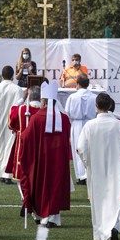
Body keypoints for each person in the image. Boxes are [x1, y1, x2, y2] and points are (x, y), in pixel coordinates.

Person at [77, 93, 120, 240]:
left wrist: (88, 163)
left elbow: (81, 148)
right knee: (114, 200)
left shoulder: (90, 125)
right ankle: (113, 229)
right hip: (116, 169)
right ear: (110, 106)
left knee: (97, 203)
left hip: (96, 169)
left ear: (96, 106)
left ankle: (99, 239)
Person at [19, 81, 71, 228]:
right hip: (58, 159)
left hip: (40, 159)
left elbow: (25, 138)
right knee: (56, 184)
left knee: (41, 184)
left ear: (43, 101)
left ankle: (44, 214)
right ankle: (53, 217)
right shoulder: (64, 119)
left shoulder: (36, 118)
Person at [5, 86, 41, 197]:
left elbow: (11, 122)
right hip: (40, 146)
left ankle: (24, 198)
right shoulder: (45, 111)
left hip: (23, 146)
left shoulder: (22, 110)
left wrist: (22, 99)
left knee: (22, 174)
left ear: (28, 97)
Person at [64, 75, 97, 185]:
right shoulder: (94, 97)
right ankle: (89, 174)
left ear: (77, 84)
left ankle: (81, 175)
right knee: (90, 148)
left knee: (78, 148)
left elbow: (67, 113)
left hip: (77, 124)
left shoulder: (73, 97)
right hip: (90, 123)